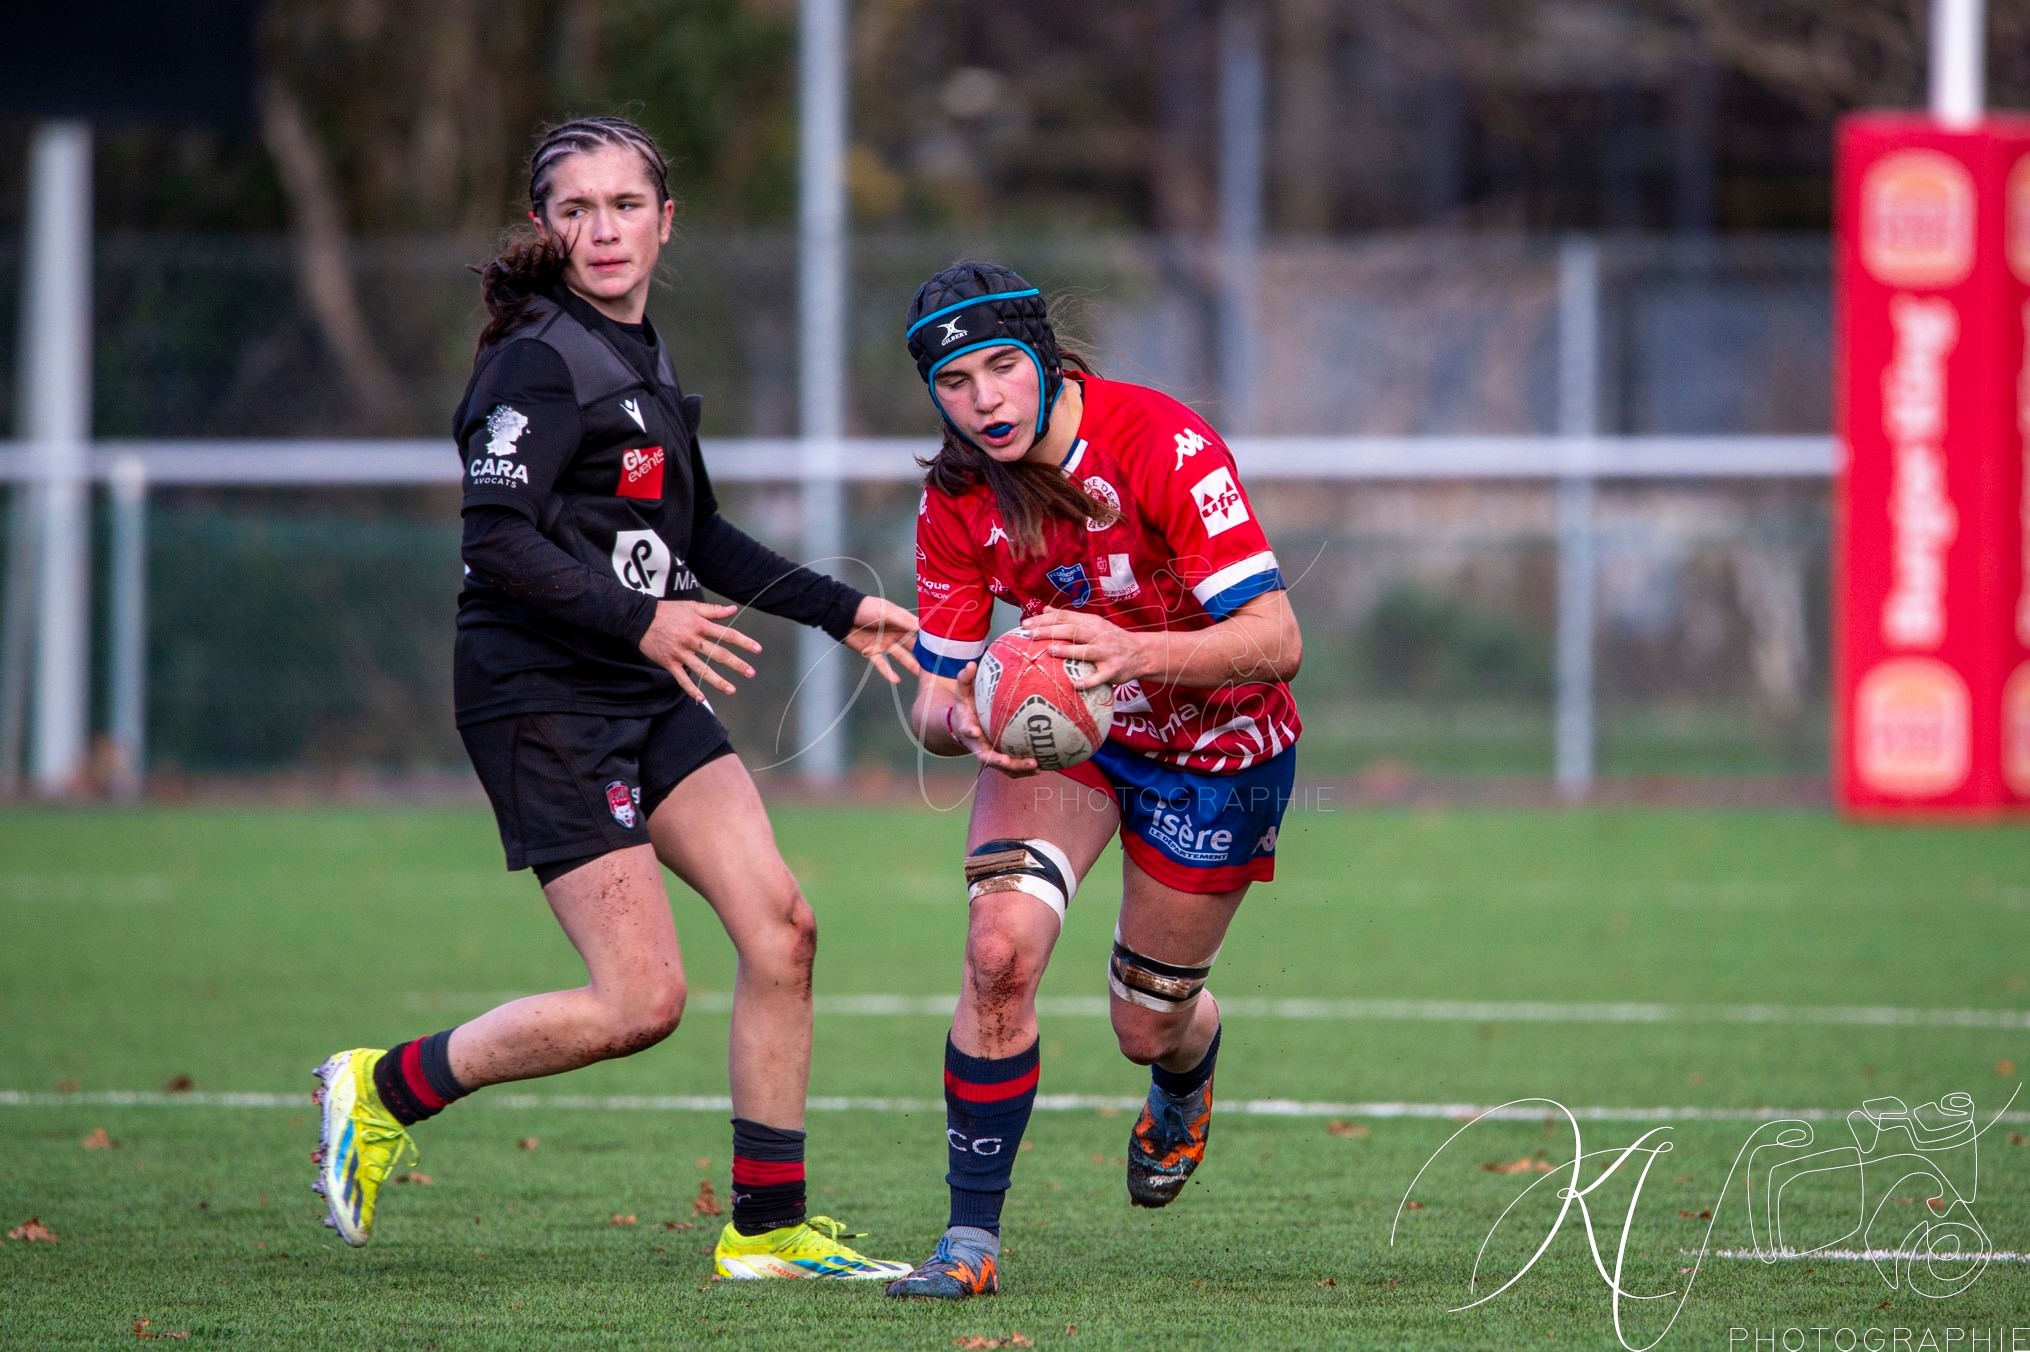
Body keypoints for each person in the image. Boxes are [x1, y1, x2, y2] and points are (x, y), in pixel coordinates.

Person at [311, 116, 918, 1282]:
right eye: (577, 209)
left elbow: (695, 536)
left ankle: (766, 1226)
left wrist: (841, 611)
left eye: (625, 205)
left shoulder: (639, 351)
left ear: (664, 219)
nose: (604, 229)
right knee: (639, 999)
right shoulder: (537, 359)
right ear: (547, 226)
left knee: (782, 927)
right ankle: (382, 1084)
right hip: (540, 691)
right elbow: (495, 539)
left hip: (639, 683)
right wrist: (643, 617)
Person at [885, 262, 1303, 1299]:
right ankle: (968, 1240)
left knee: (1143, 1022)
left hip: (1214, 751)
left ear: (1044, 358)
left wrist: (1129, 653)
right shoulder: (956, 500)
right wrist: (966, 717)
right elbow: (933, 704)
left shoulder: (1159, 442)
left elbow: (1276, 638)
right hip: (1069, 751)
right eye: (953, 381)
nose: (981, 399)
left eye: (999, 368)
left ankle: (1184, 1064)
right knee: (996, 953)